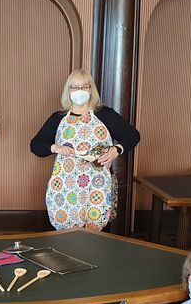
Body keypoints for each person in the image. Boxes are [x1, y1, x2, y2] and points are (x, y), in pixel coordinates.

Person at [30, 69, 140, 231]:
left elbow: (133, 135)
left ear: (91, 89)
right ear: (68, 91)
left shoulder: (105, 115)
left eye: (84, 86)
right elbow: (35, 145)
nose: (80, 91)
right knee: (67, 235)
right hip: (66, 187)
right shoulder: (58, 118)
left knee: (96, 234)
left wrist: (116, 150)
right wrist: (55, 147)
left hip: (98, 186)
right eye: (75, 87)